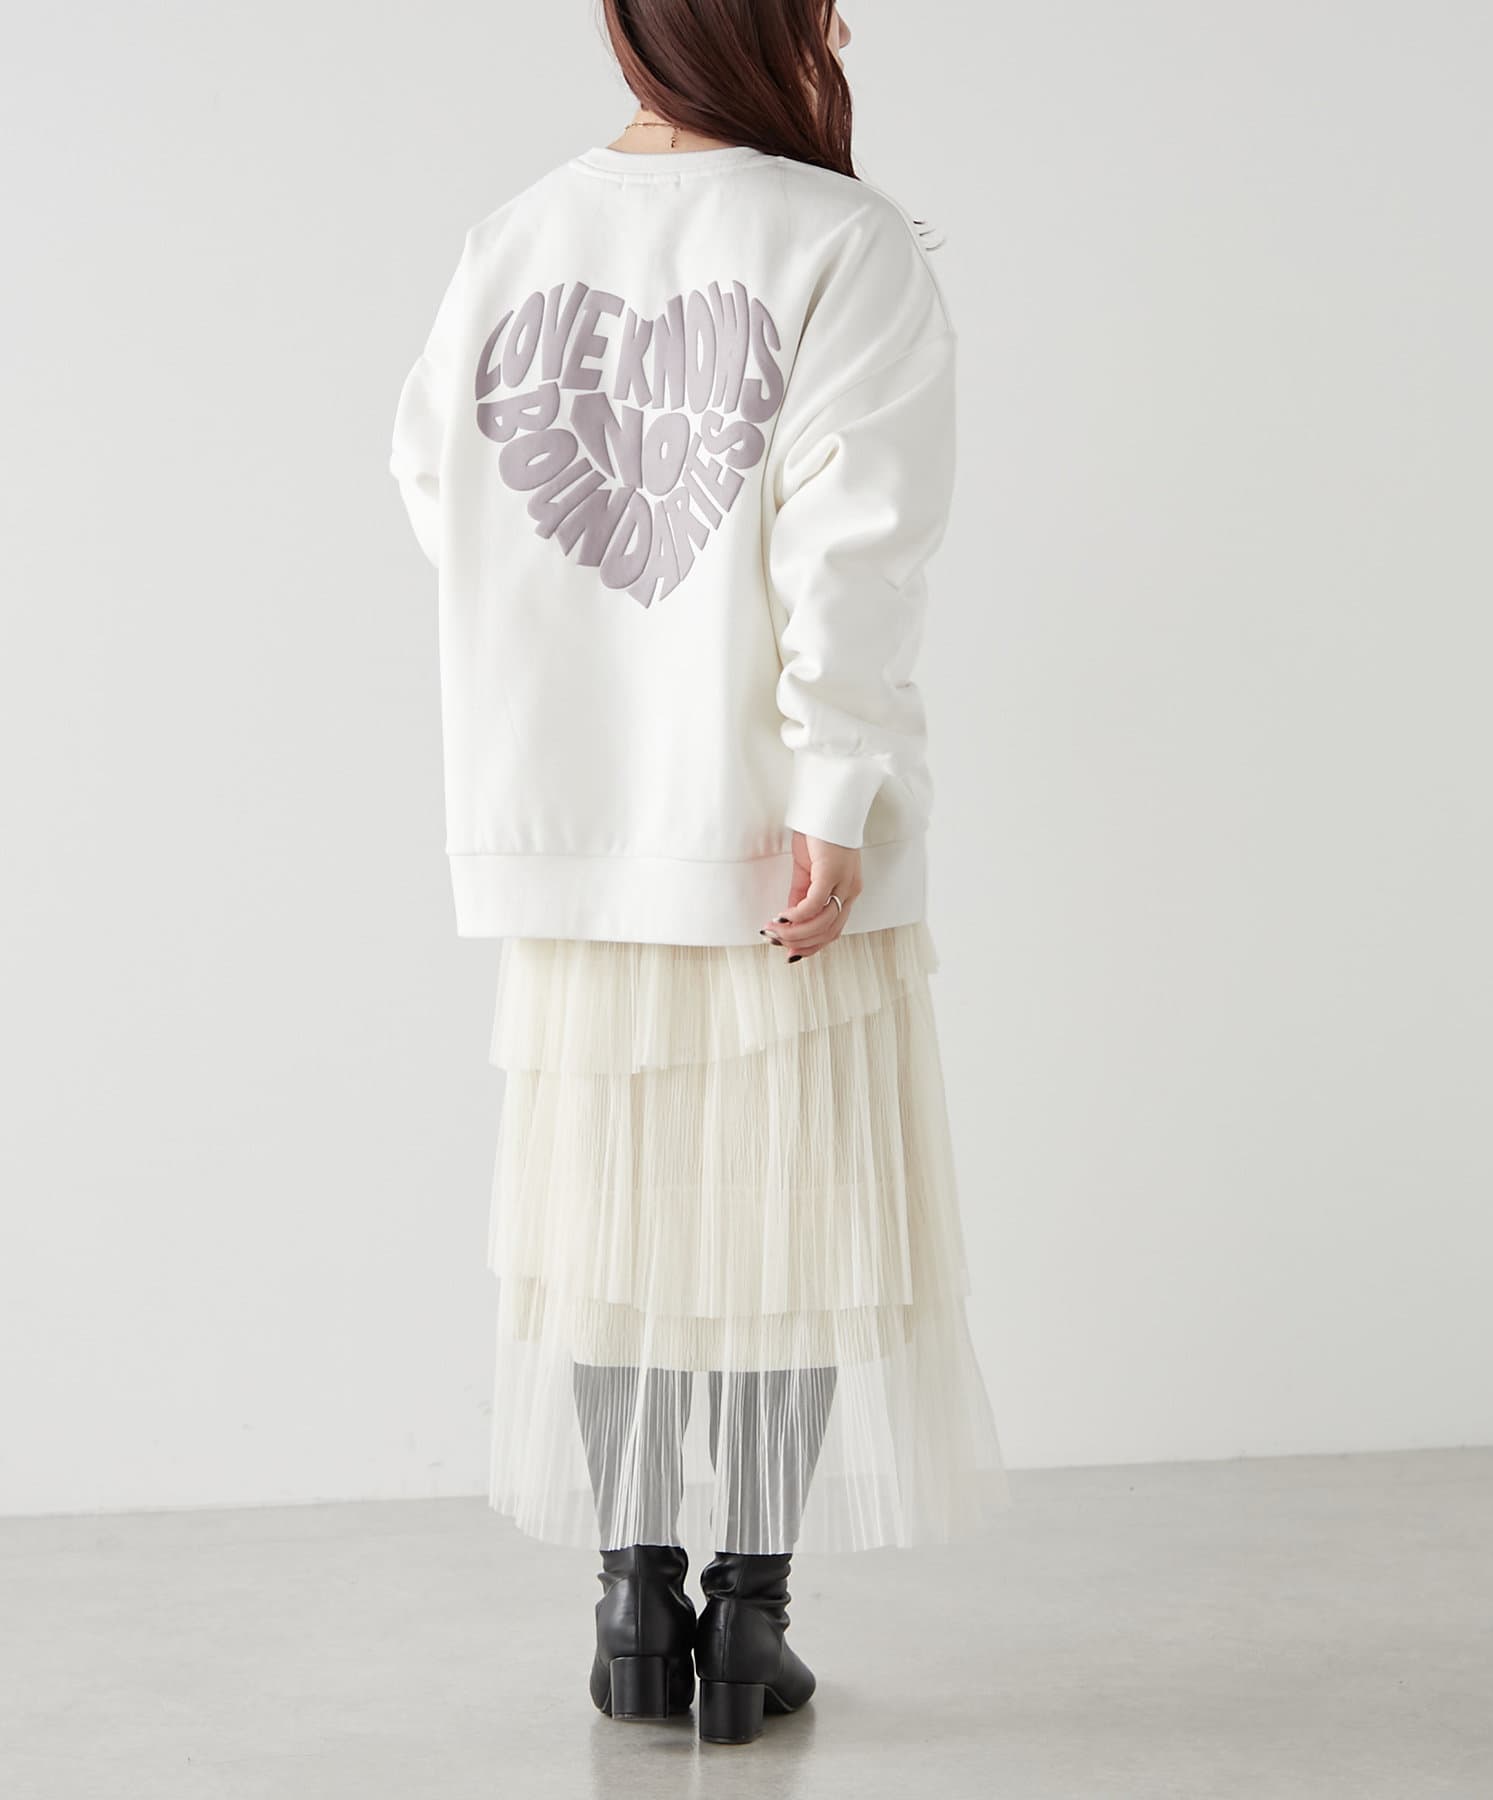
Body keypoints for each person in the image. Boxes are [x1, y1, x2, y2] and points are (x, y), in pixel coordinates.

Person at [389, 0, 1008, 1747]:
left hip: (583, 822)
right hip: (767, 830)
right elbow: (857, 542)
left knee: (617, 1217)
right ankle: (749, 1621)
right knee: (782, 1219)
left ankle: (629, 1605)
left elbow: (437, 481)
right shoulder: (841, 241)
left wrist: (585, 652)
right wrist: (835, 784)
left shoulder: (516, 236)